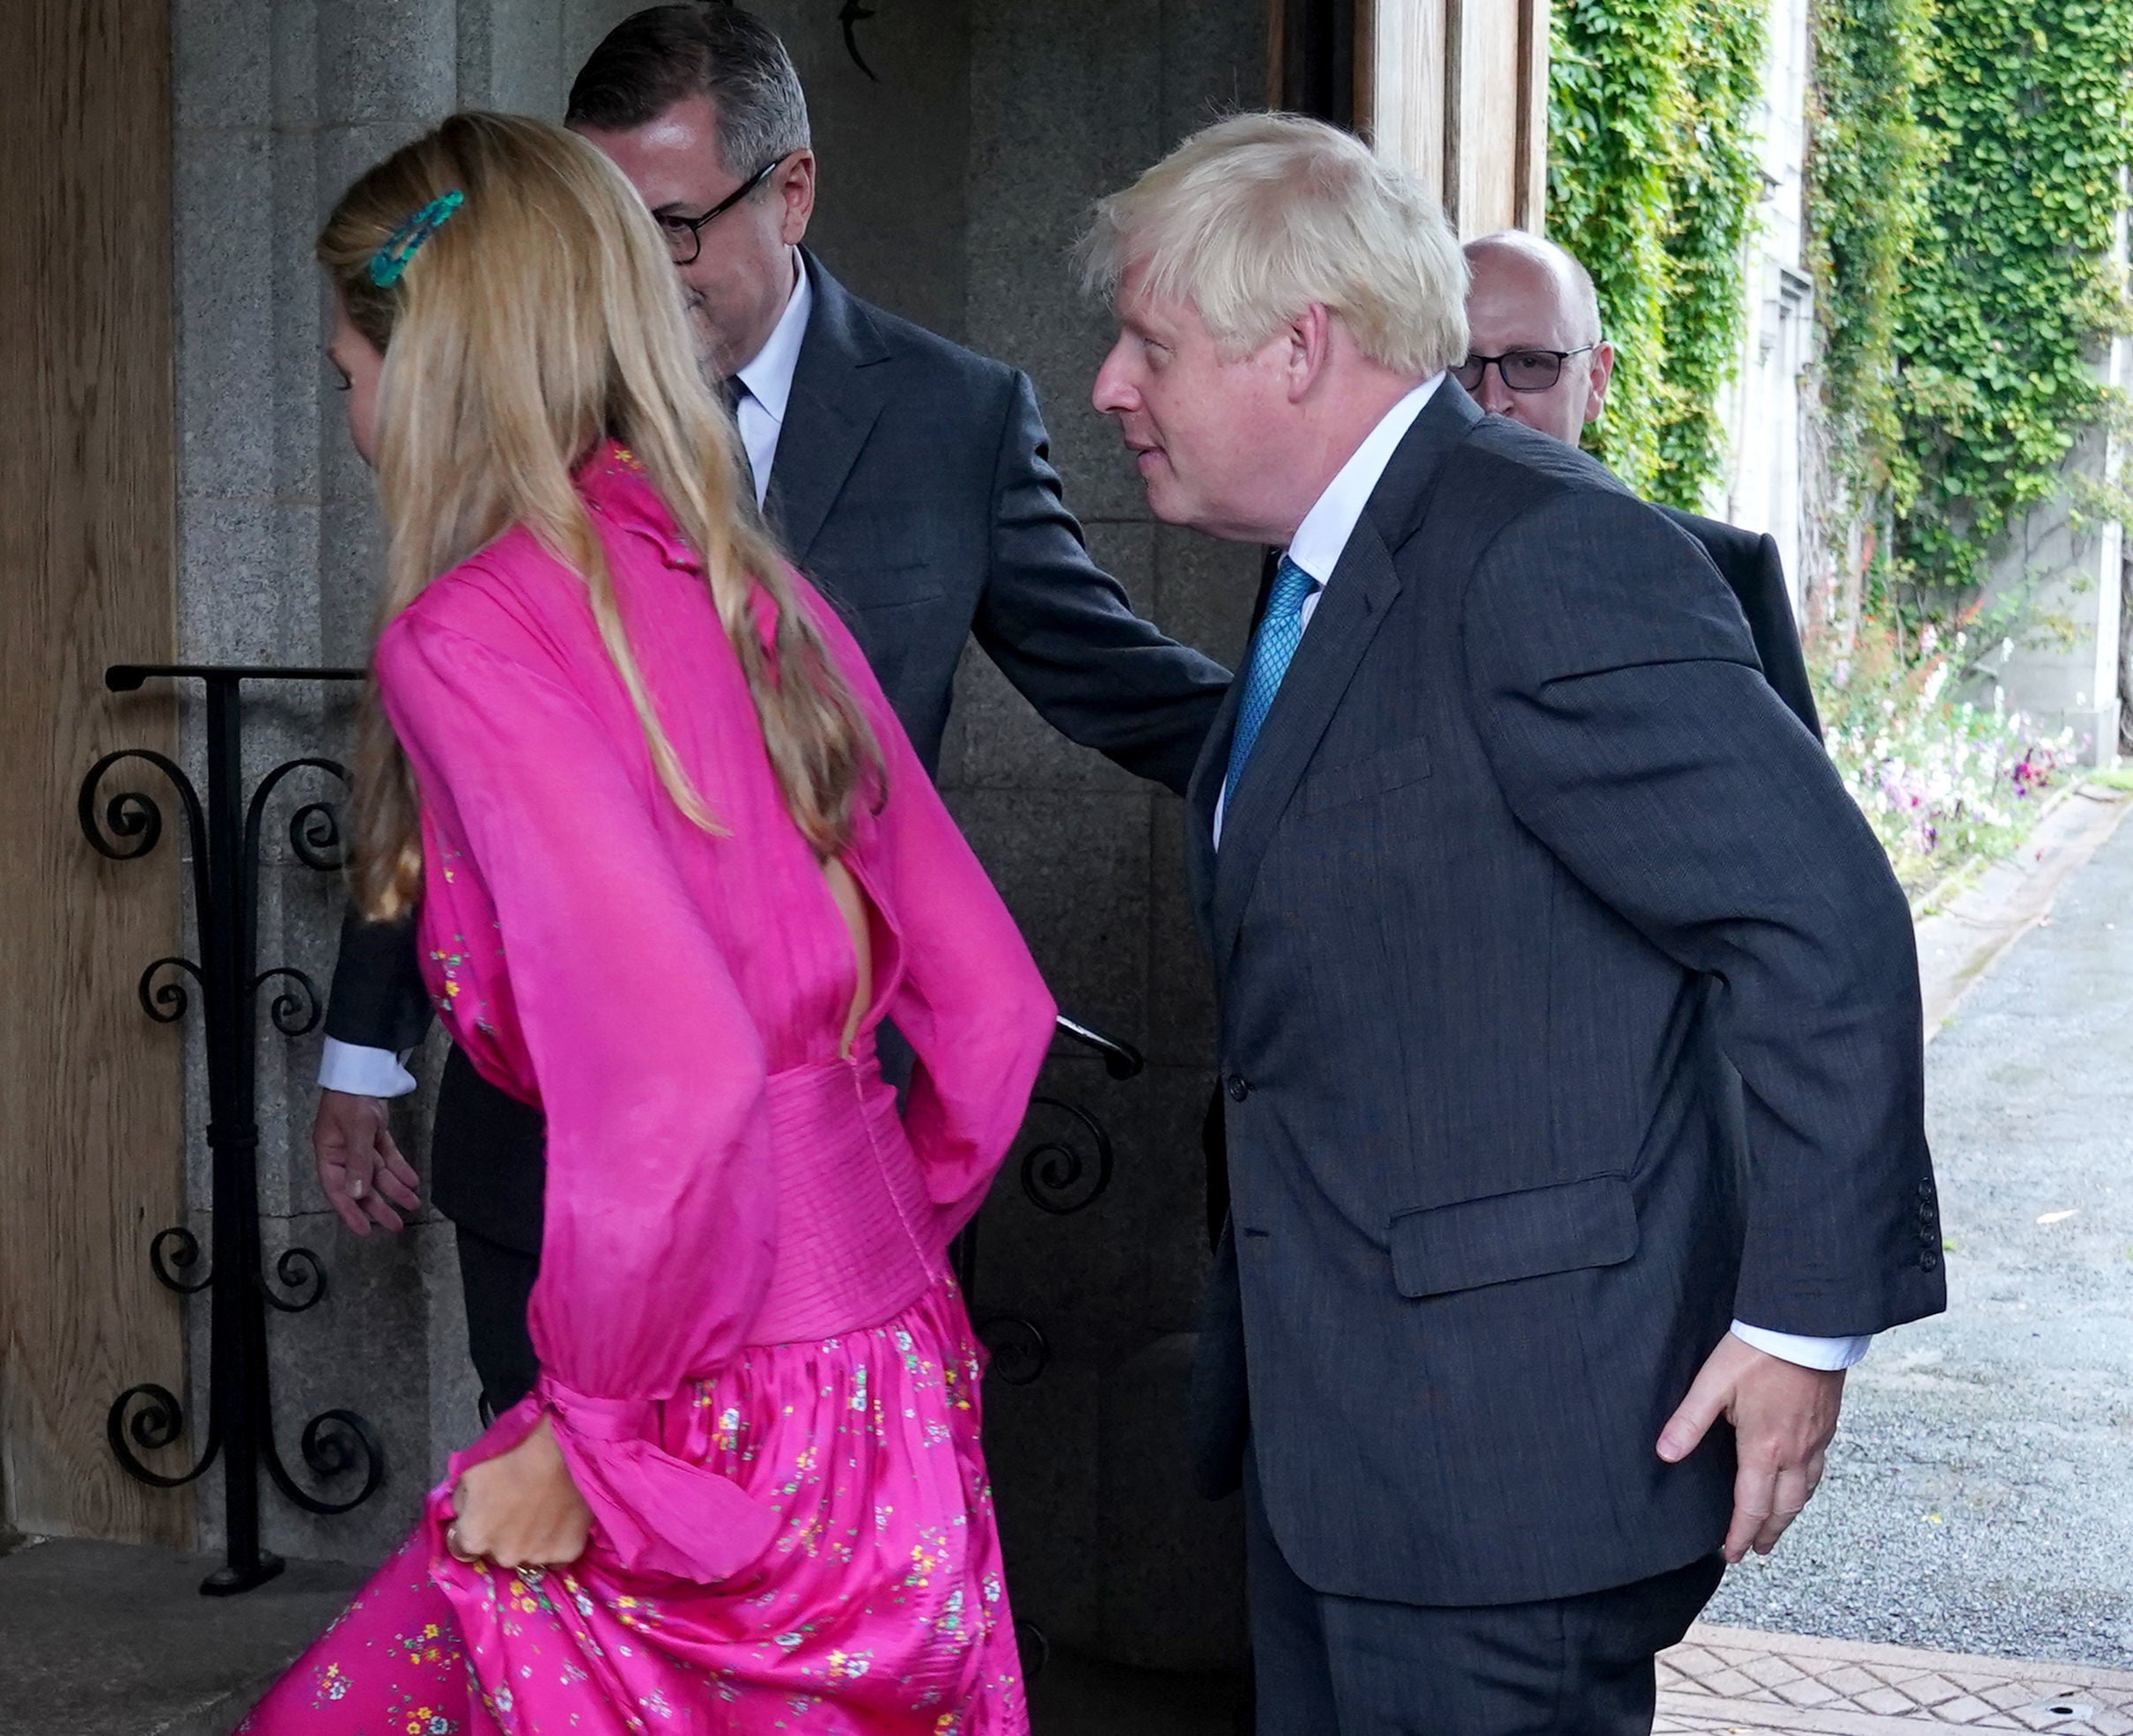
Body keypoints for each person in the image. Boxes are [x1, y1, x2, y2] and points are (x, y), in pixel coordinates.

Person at [1086, 115, 1943, 1733]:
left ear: (1295, 349)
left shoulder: (1544, 552)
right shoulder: (1322, 565)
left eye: (1146, 343)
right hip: (1344, 1444)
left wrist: (1796, 1326)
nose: (1108, 387)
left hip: (1503, 1469)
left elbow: (1820, 923)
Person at [242, 112, 1053, 1733]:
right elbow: (990, 1007)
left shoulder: (465, 635)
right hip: (886, 1360)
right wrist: (843, 1252)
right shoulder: (743, 576)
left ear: (433, 363)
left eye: (347, 374)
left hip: (689, 1415)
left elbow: (672, 1072)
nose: (349, 422)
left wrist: (590, 1425)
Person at [311, 4, 1231, 1417]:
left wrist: (1340, 733)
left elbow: (1111, 676)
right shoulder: (552, 434)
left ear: (788, 188)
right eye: (599, 224)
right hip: (567, 1177)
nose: (630, 270)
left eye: (669, 224)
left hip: (835, 1154)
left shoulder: (953, 413)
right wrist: (366, 1045)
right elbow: (440, 805)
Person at [1458, 229, 1822, 736]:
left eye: (1530, 363)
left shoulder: (1725, 573)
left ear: (1596, 381)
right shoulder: (1348, 568)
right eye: (1462, 364)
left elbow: (1792, 810)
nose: (1492, 398)